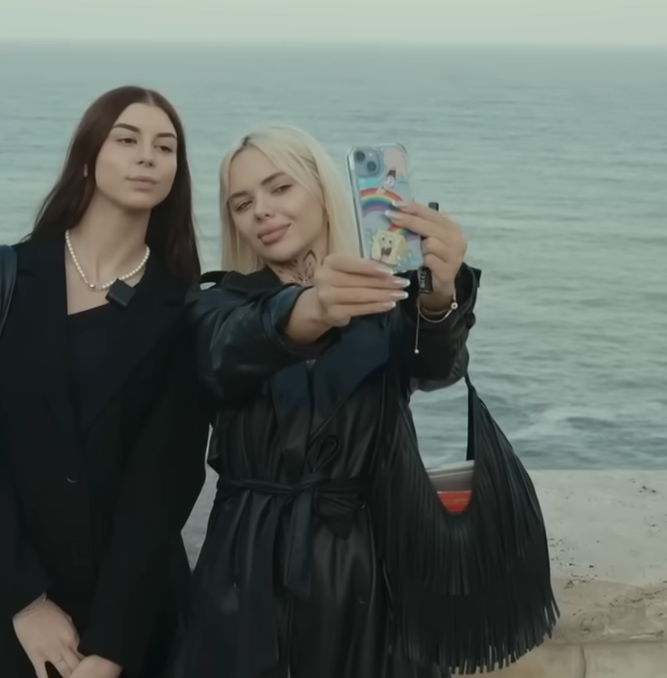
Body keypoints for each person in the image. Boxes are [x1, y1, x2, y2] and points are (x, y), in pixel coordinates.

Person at [167, 125, 482, 678]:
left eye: (279, 188)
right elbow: (225, 353)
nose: (262, 211)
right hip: (249, 567)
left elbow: (439, 368)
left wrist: (439, 298)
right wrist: (310, 308)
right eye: (242, 203)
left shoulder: (387, 296)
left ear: (322, 189)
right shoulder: (215, 305)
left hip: (377, 564)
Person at [0, 86, 211, 678]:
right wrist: (26, 601)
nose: (147, 156)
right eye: (127, 139)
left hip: (127, 614)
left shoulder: (185, 307)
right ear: (87, 158)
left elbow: (166, 482)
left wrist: (113, 645)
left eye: (165, 147)